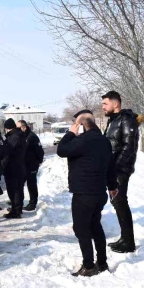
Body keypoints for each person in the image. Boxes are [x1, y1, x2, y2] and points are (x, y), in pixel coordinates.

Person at [57, 111, 118, 277]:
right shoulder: (104, 141)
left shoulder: (82, 140)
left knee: (81, 229)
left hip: (84, 193)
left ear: (82, 125)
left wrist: (70, 132)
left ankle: (89, 266)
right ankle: (102, 262)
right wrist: (112, 185)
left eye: (77, 124)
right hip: (99, 193)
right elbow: (111, 166)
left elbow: (61, 150)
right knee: (95, 226)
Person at [102, 91, 142, 253]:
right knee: (118, 202)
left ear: (115, 104)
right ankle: (125, 238)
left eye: (105, 103)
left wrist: (115, 168)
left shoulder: (126, 120)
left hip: (120, 169)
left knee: (120, 202)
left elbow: (128, 147)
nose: (103, 107)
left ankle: (128, 242)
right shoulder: (114, 120)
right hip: (113, 168)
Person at [18, 120, 45, 212]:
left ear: (23, 127)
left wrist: (38, 161)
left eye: (18, 128)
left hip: (31, 165)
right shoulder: (23, 136)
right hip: (24, 165)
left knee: (31, 184)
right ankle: (18, 201)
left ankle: (33, 203)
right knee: (20, 183)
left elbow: (40, 151)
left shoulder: (32, 137)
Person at [3, 118, 27, 219]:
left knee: (14, 191)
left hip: (13, 168)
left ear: (8, 128)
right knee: (18, 190)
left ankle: (16, 211)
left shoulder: (14, 137)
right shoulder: (19, 135)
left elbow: (8, 153)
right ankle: (17, 208)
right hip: (19, 166)